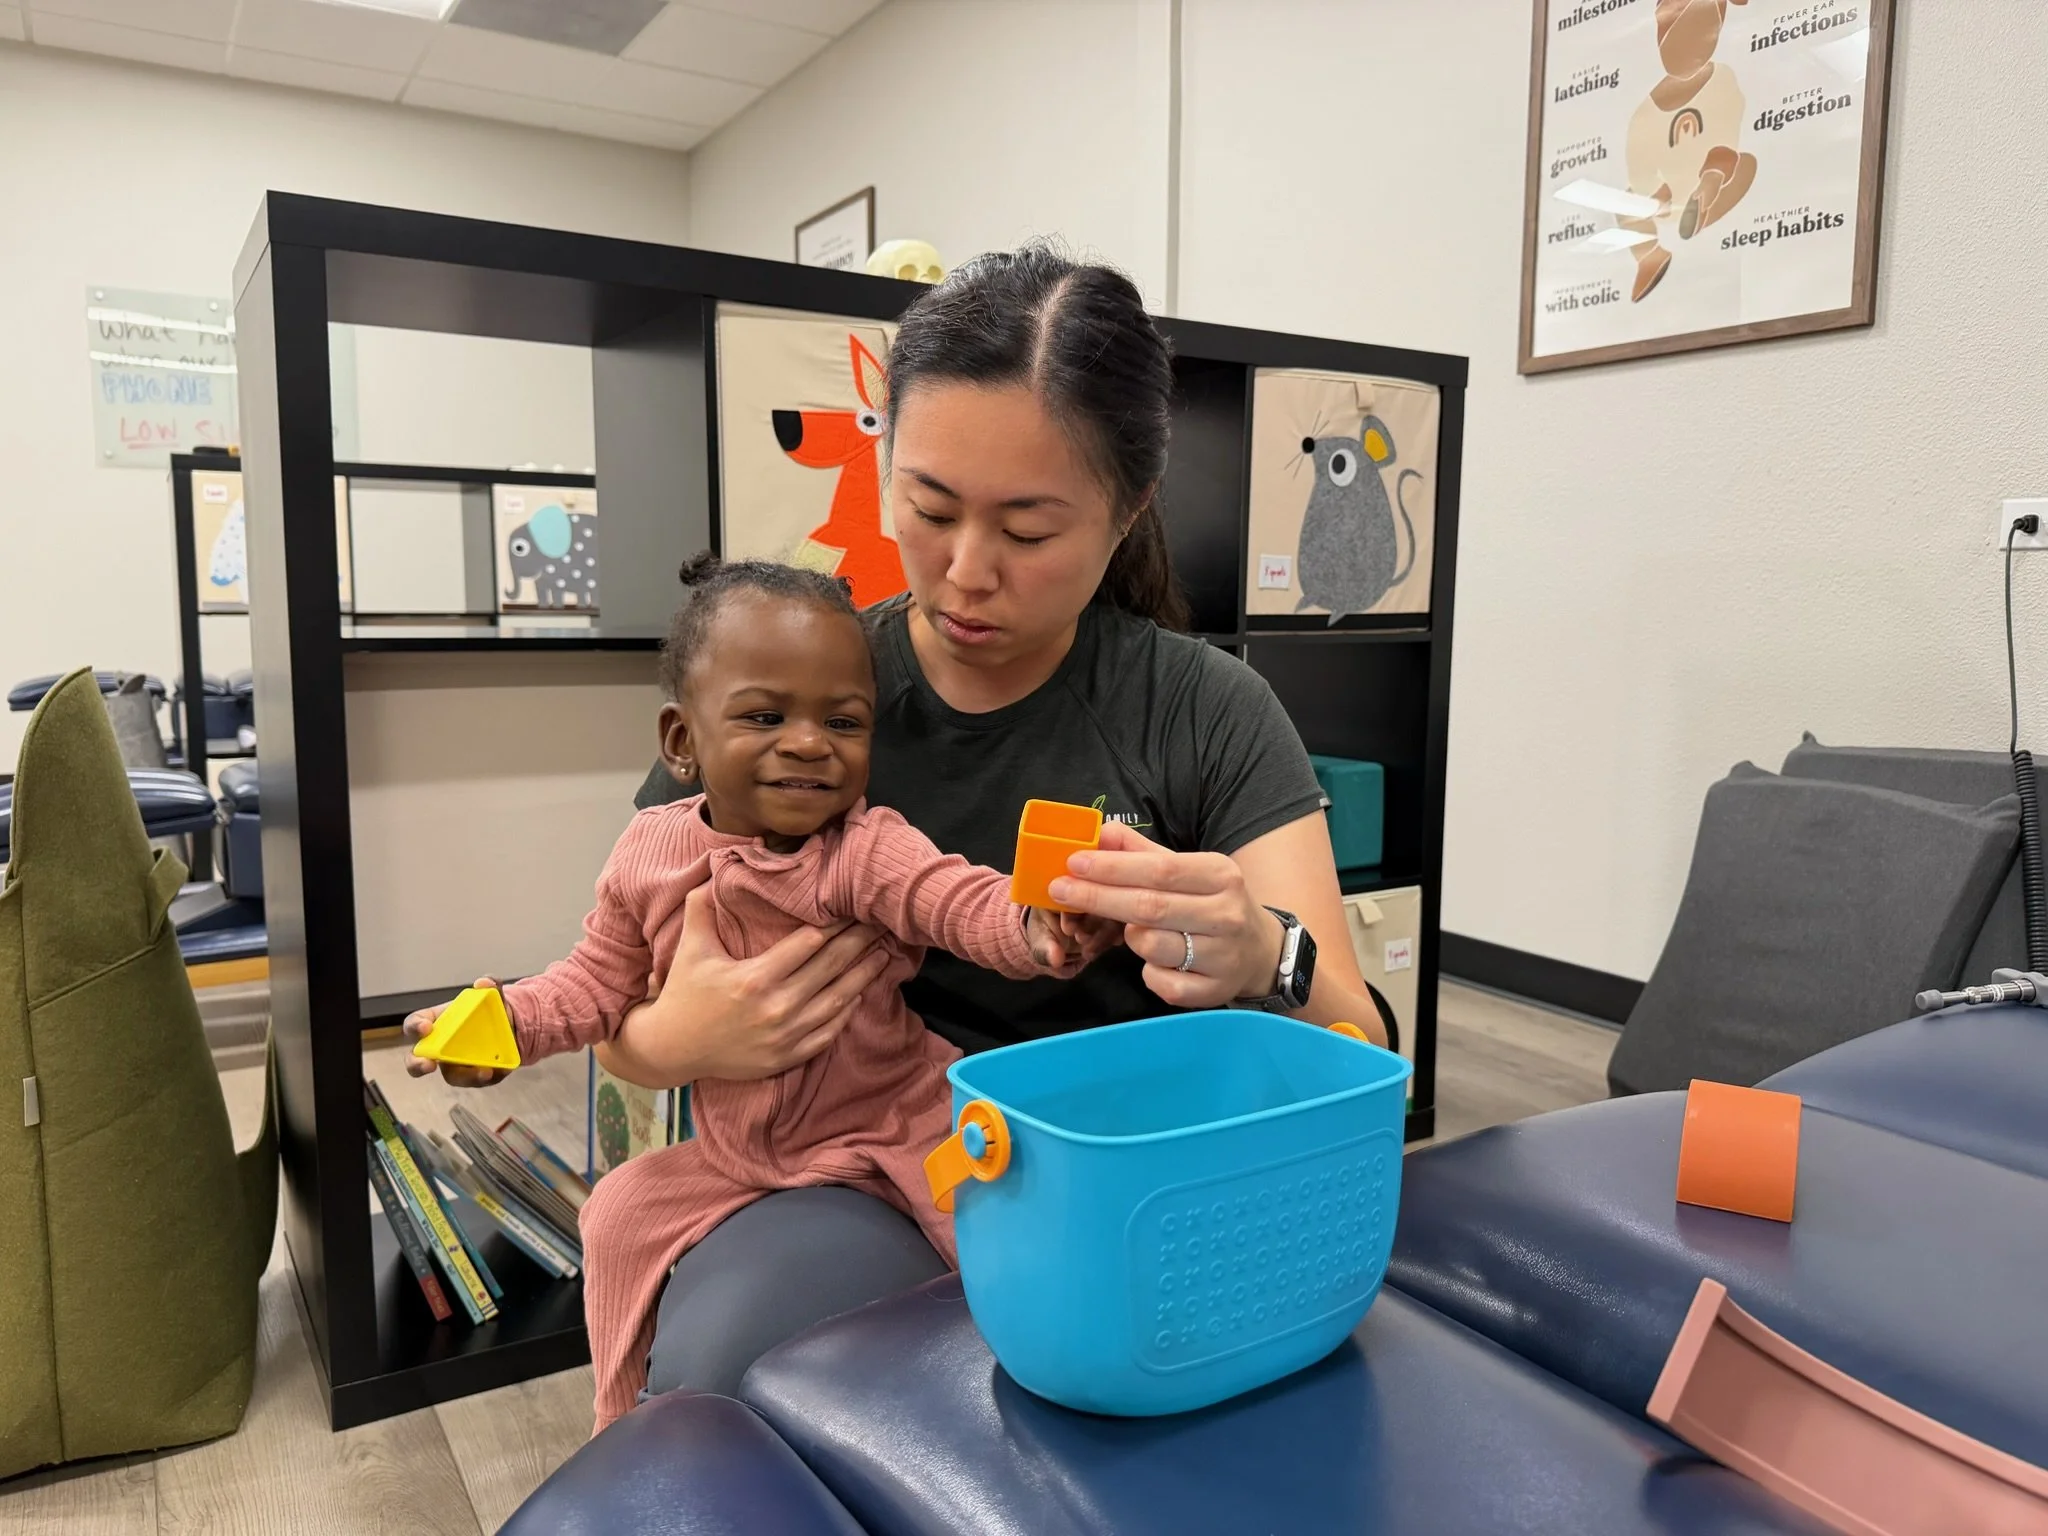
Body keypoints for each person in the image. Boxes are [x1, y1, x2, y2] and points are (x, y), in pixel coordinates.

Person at [564, 244, 1393, 1406]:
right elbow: (609, 999)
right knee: (734, 1379)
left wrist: (1263, 953)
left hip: (1117, 1179)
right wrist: (680, 1041)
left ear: (1128, 510)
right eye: (929, 508)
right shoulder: (794, 683)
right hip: (842, 1166)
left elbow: (1360, 1041)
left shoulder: (1203, 708)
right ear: (884, 466)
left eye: (1027, 531)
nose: (964, 573)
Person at [406, 554, 1118, 1430]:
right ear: (682, 741)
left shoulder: (862, 849)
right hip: (738, 1154)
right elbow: (593, 982)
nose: (810, 742)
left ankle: (1027, 1415)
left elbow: (954, 899)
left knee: (999, 1264)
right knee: (615, 1212)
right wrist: (502, 1025)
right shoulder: (647, 855)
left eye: (843, 721)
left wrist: (1034, 927)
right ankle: (620, 1426)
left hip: (894, 1124)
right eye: (765, 716)